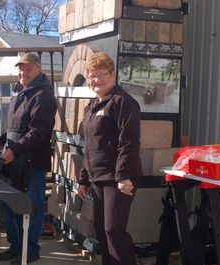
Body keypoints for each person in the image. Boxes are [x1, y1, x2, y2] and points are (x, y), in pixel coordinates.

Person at [77, 51, 142, 265]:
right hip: (98, 178)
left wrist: (123, 176)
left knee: (113, 229)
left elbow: (129, 142)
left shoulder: (123, 102)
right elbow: (90, 145)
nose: (96, 79)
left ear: (112, 75)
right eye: (92, 75)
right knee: (102, 232)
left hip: (119, 178)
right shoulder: (93, 106)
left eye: (101, 74)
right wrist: (84, 178)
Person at [0, 53, 57, 264]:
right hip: (13, 158)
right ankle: (16, 246)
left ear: (38, 69)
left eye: (28, 68)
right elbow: (16, 128)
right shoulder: (19, 92)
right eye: (21, 68)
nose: (23, 72)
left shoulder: (44, 95)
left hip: (32, 162)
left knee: (32, 206)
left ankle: (30, 250)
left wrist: (14, 150)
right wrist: (0, 140)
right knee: (8, 204)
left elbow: (38, 131)